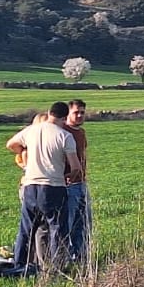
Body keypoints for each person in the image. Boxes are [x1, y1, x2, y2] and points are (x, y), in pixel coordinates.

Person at [3, 102, 82, 275]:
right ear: (65, 116)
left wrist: (26, 159)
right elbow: (76, 167)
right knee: (57, 229)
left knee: (26, 229)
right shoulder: (65, 136)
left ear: (49, 112)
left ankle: (19, 266)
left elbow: (11, 144)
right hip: (53, 186)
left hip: (30, 185)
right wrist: (68, 176)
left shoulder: (31, 130)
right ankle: (55, 269)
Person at [63, 98, 91, 261]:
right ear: (68, 113)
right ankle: (65, 256)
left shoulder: (81, 132)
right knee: (69, 221)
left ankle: (81, 255)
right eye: (76, 112)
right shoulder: (63, 132)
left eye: (82, 112)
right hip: (68, 184)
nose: (80, 116)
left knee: (84, 222)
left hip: (81, 182)